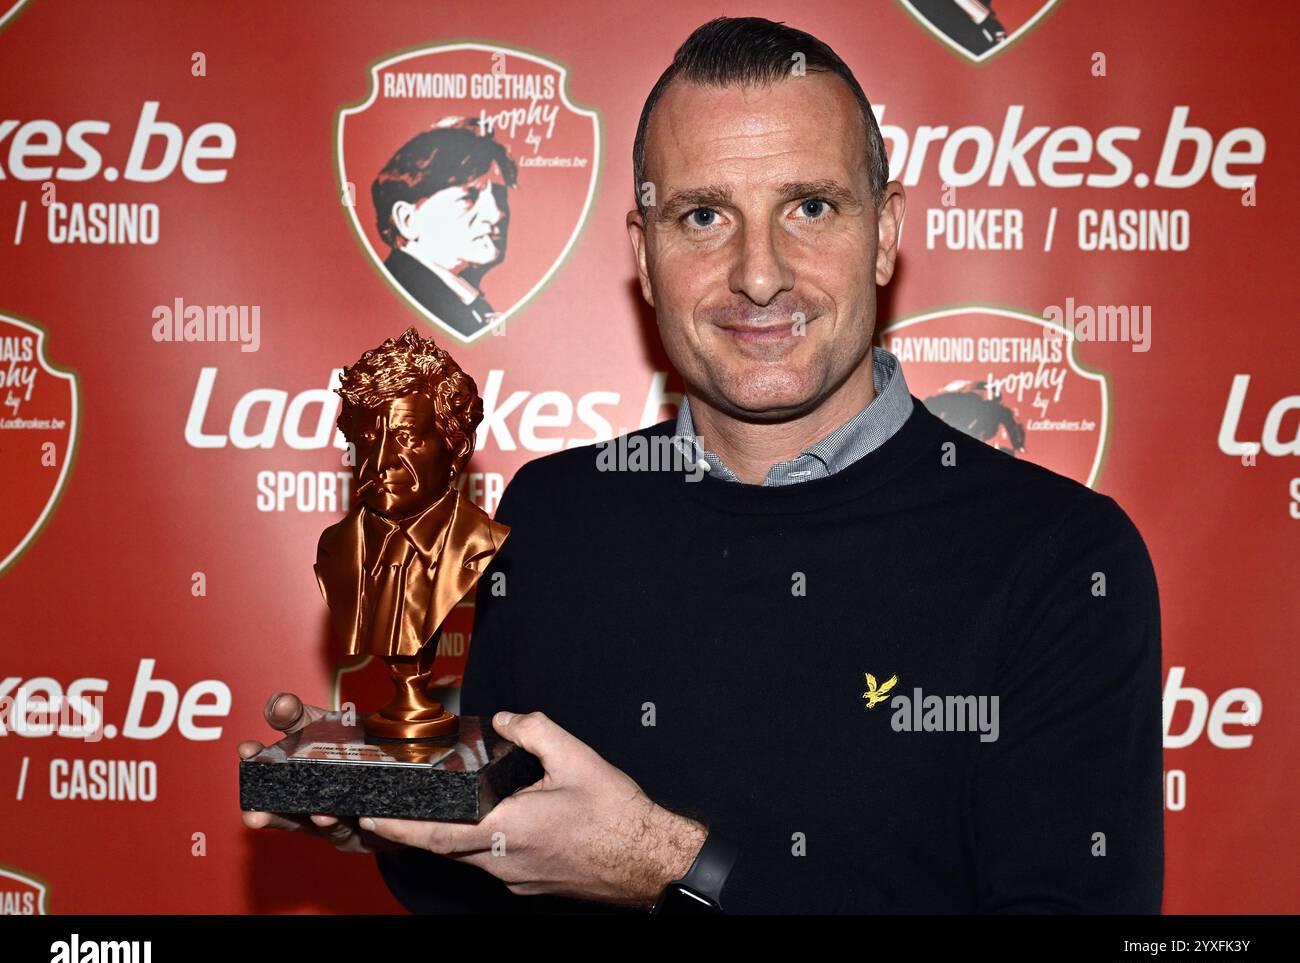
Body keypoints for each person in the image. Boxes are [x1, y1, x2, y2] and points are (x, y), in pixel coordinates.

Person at [240, 16, 1163, 915]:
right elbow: (519, 869)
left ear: (884, 234)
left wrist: (675, 869)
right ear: (645, 256)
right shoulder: (555, 514)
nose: (759, 274)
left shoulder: (1060, 558)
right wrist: (401, 822)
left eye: (810, 207)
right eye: (703, 215)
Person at [371, 119, 516, 337]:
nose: (496, 214)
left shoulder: (464, 300)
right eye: (469, 197)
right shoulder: (404, 302)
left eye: (499, 195)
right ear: (407, 220)